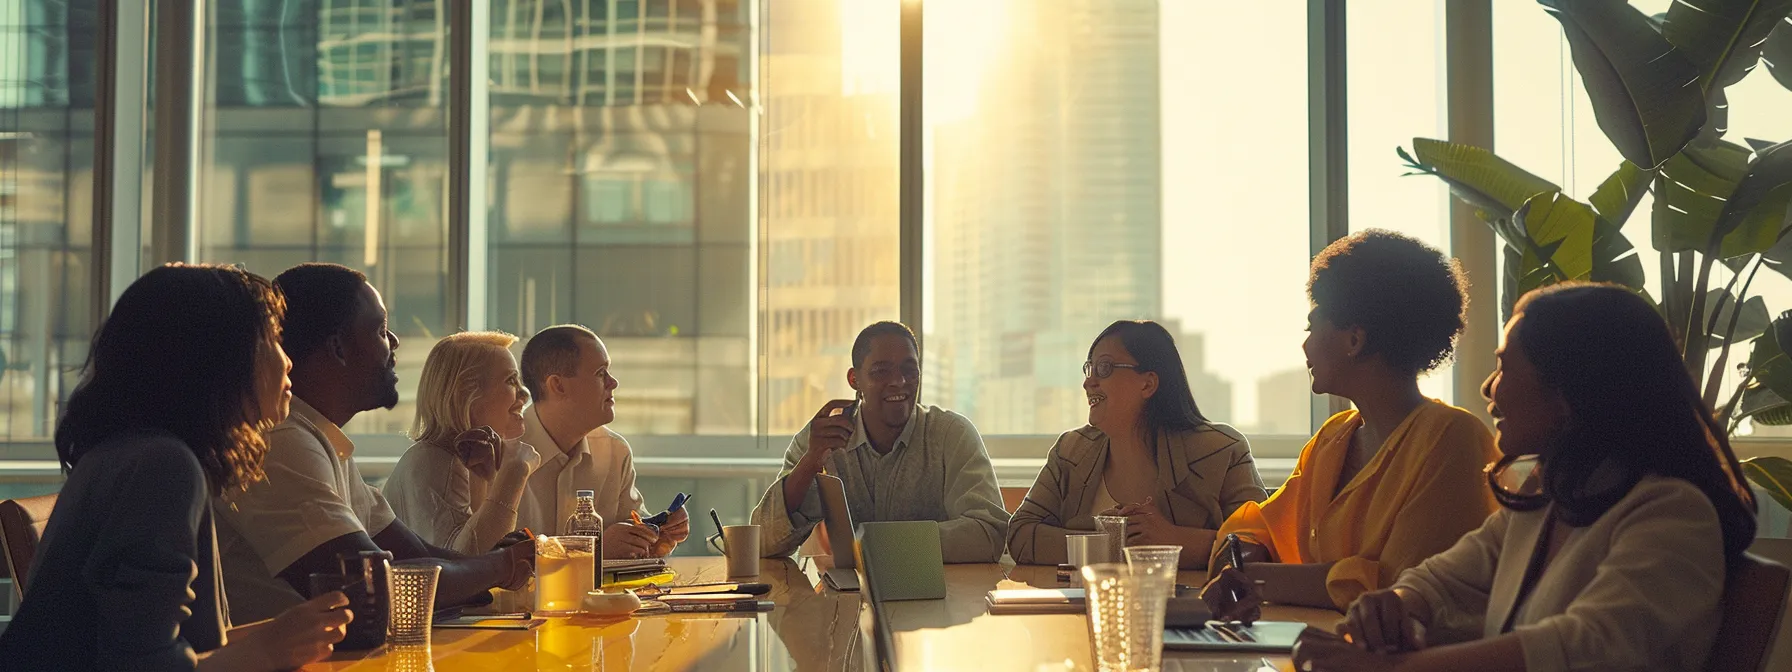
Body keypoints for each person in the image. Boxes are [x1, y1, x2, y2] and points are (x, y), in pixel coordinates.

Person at [1291, 282, 1759, 672]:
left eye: (1503, 367)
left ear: (1570, 389)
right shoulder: (1545, 503)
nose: (1488, 388)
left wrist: (1397, 669)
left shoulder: (1673, 513)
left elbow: (1585, 644)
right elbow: (1441, 580)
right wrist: (1398, 602)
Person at [0, 264, 350, 671]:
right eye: (272, 339)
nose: (288, 361)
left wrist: (280, 636)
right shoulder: (164, 468)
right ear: (221, 357)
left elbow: (184, 646)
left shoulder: (134, 454)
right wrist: (267, 651)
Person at [214, 263, 532, 624]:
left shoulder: (322, 440)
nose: (394, 342)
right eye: (380, 330)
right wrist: (505, 564)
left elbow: (413, 554)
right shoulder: (281, 440)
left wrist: (503, 562)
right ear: (338, 347)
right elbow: (376, 588)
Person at [1203, 230, 1499, 616]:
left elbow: (1398, 589)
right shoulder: (1335, 437)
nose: (1305, 345)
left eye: (1312, 327)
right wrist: (1244, 555)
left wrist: (1254, 579)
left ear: (1354, 340)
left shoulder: (1449, 438)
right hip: (1320, 643)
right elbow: (1259, 525)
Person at [1007, 320, 1266, 568]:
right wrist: (1109, 542)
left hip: (1194, 612)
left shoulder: (1223, 452)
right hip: (1086, 608)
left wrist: (1174, 540)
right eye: (1089, 369)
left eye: (1104, 368)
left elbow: (1262, 547)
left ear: (1148, 383)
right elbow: (1019, 534)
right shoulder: (1070, 450)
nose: (1088, 382)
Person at [749, 321, 1009, 563]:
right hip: (850, 603)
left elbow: (990, 533)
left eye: (909, 370)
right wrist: (809, 463)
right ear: (855, 380)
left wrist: (879, 546)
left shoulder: (951, 435)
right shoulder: (823, 438)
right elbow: (762, 543)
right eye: (881, 371)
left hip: (940, 597)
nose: (899, 382)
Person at [516, 325, 687, 559]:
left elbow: (635, 535)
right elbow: (493, 563)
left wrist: (657, 535)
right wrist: (594, 553)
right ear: (558, 385)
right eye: (600, 373)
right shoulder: (502, 452)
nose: (613, 382)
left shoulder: (615, 452)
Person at [382, 332, 541, 555]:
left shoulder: (468, 462)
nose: (524, 393)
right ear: (466, 393)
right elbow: (465, 568)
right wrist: (515, 473)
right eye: (510, 380)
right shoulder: (432, 461)